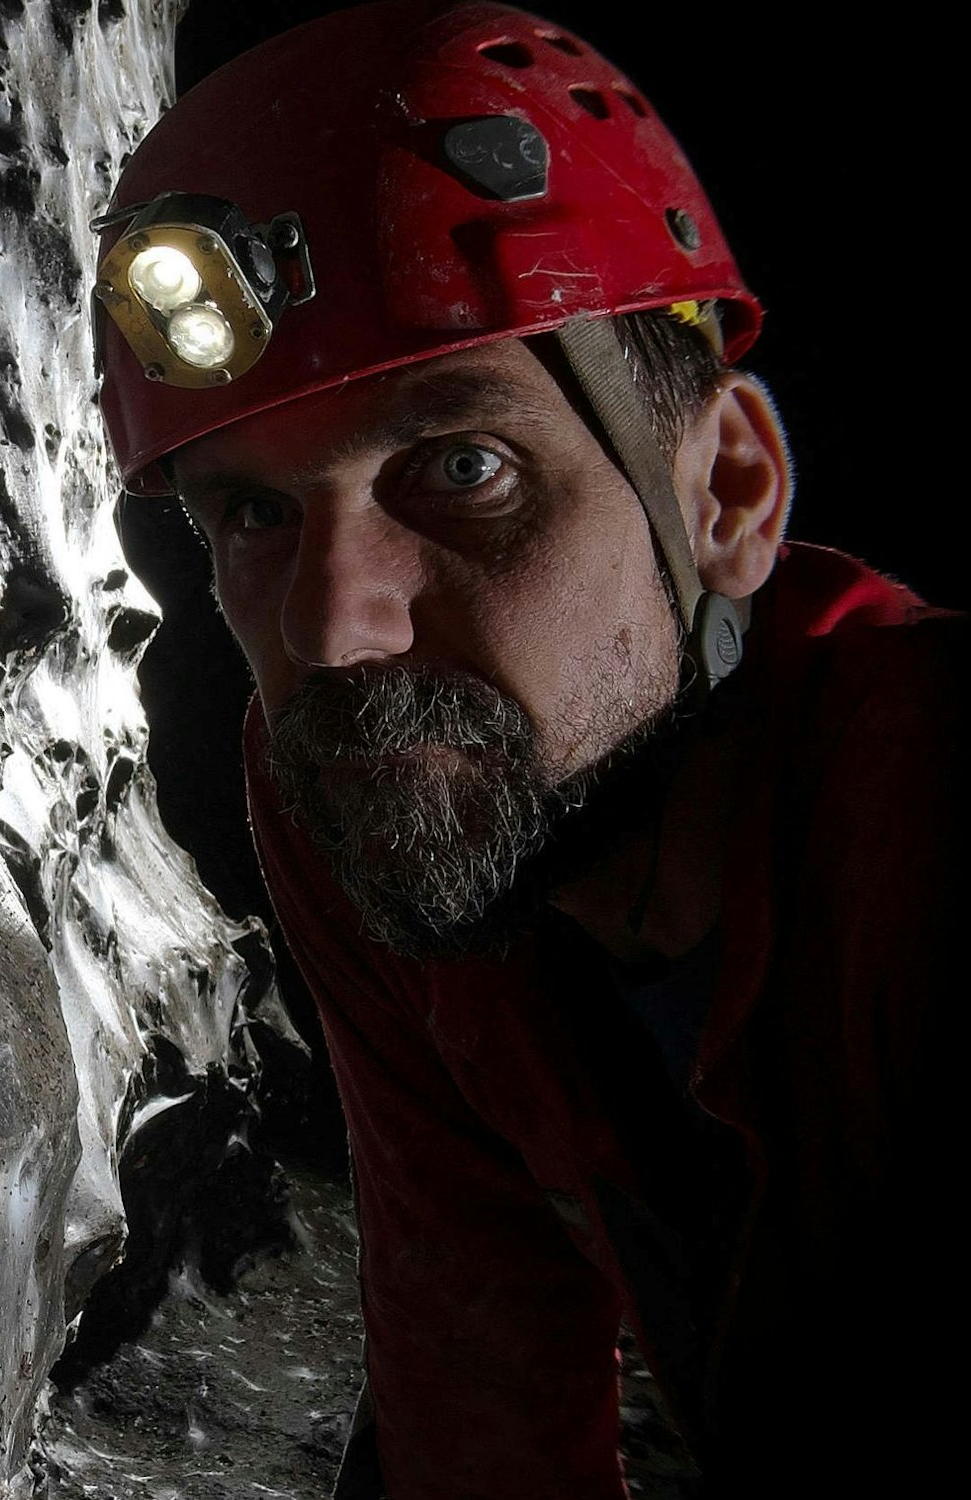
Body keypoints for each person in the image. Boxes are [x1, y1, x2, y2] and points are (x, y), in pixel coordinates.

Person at [91, 2, 962, 1495]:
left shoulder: (926, 807)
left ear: (728, 494)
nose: (336, 630)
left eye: (462, 467)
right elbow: (474, 1353)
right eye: (256, 513)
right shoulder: (383, 795)